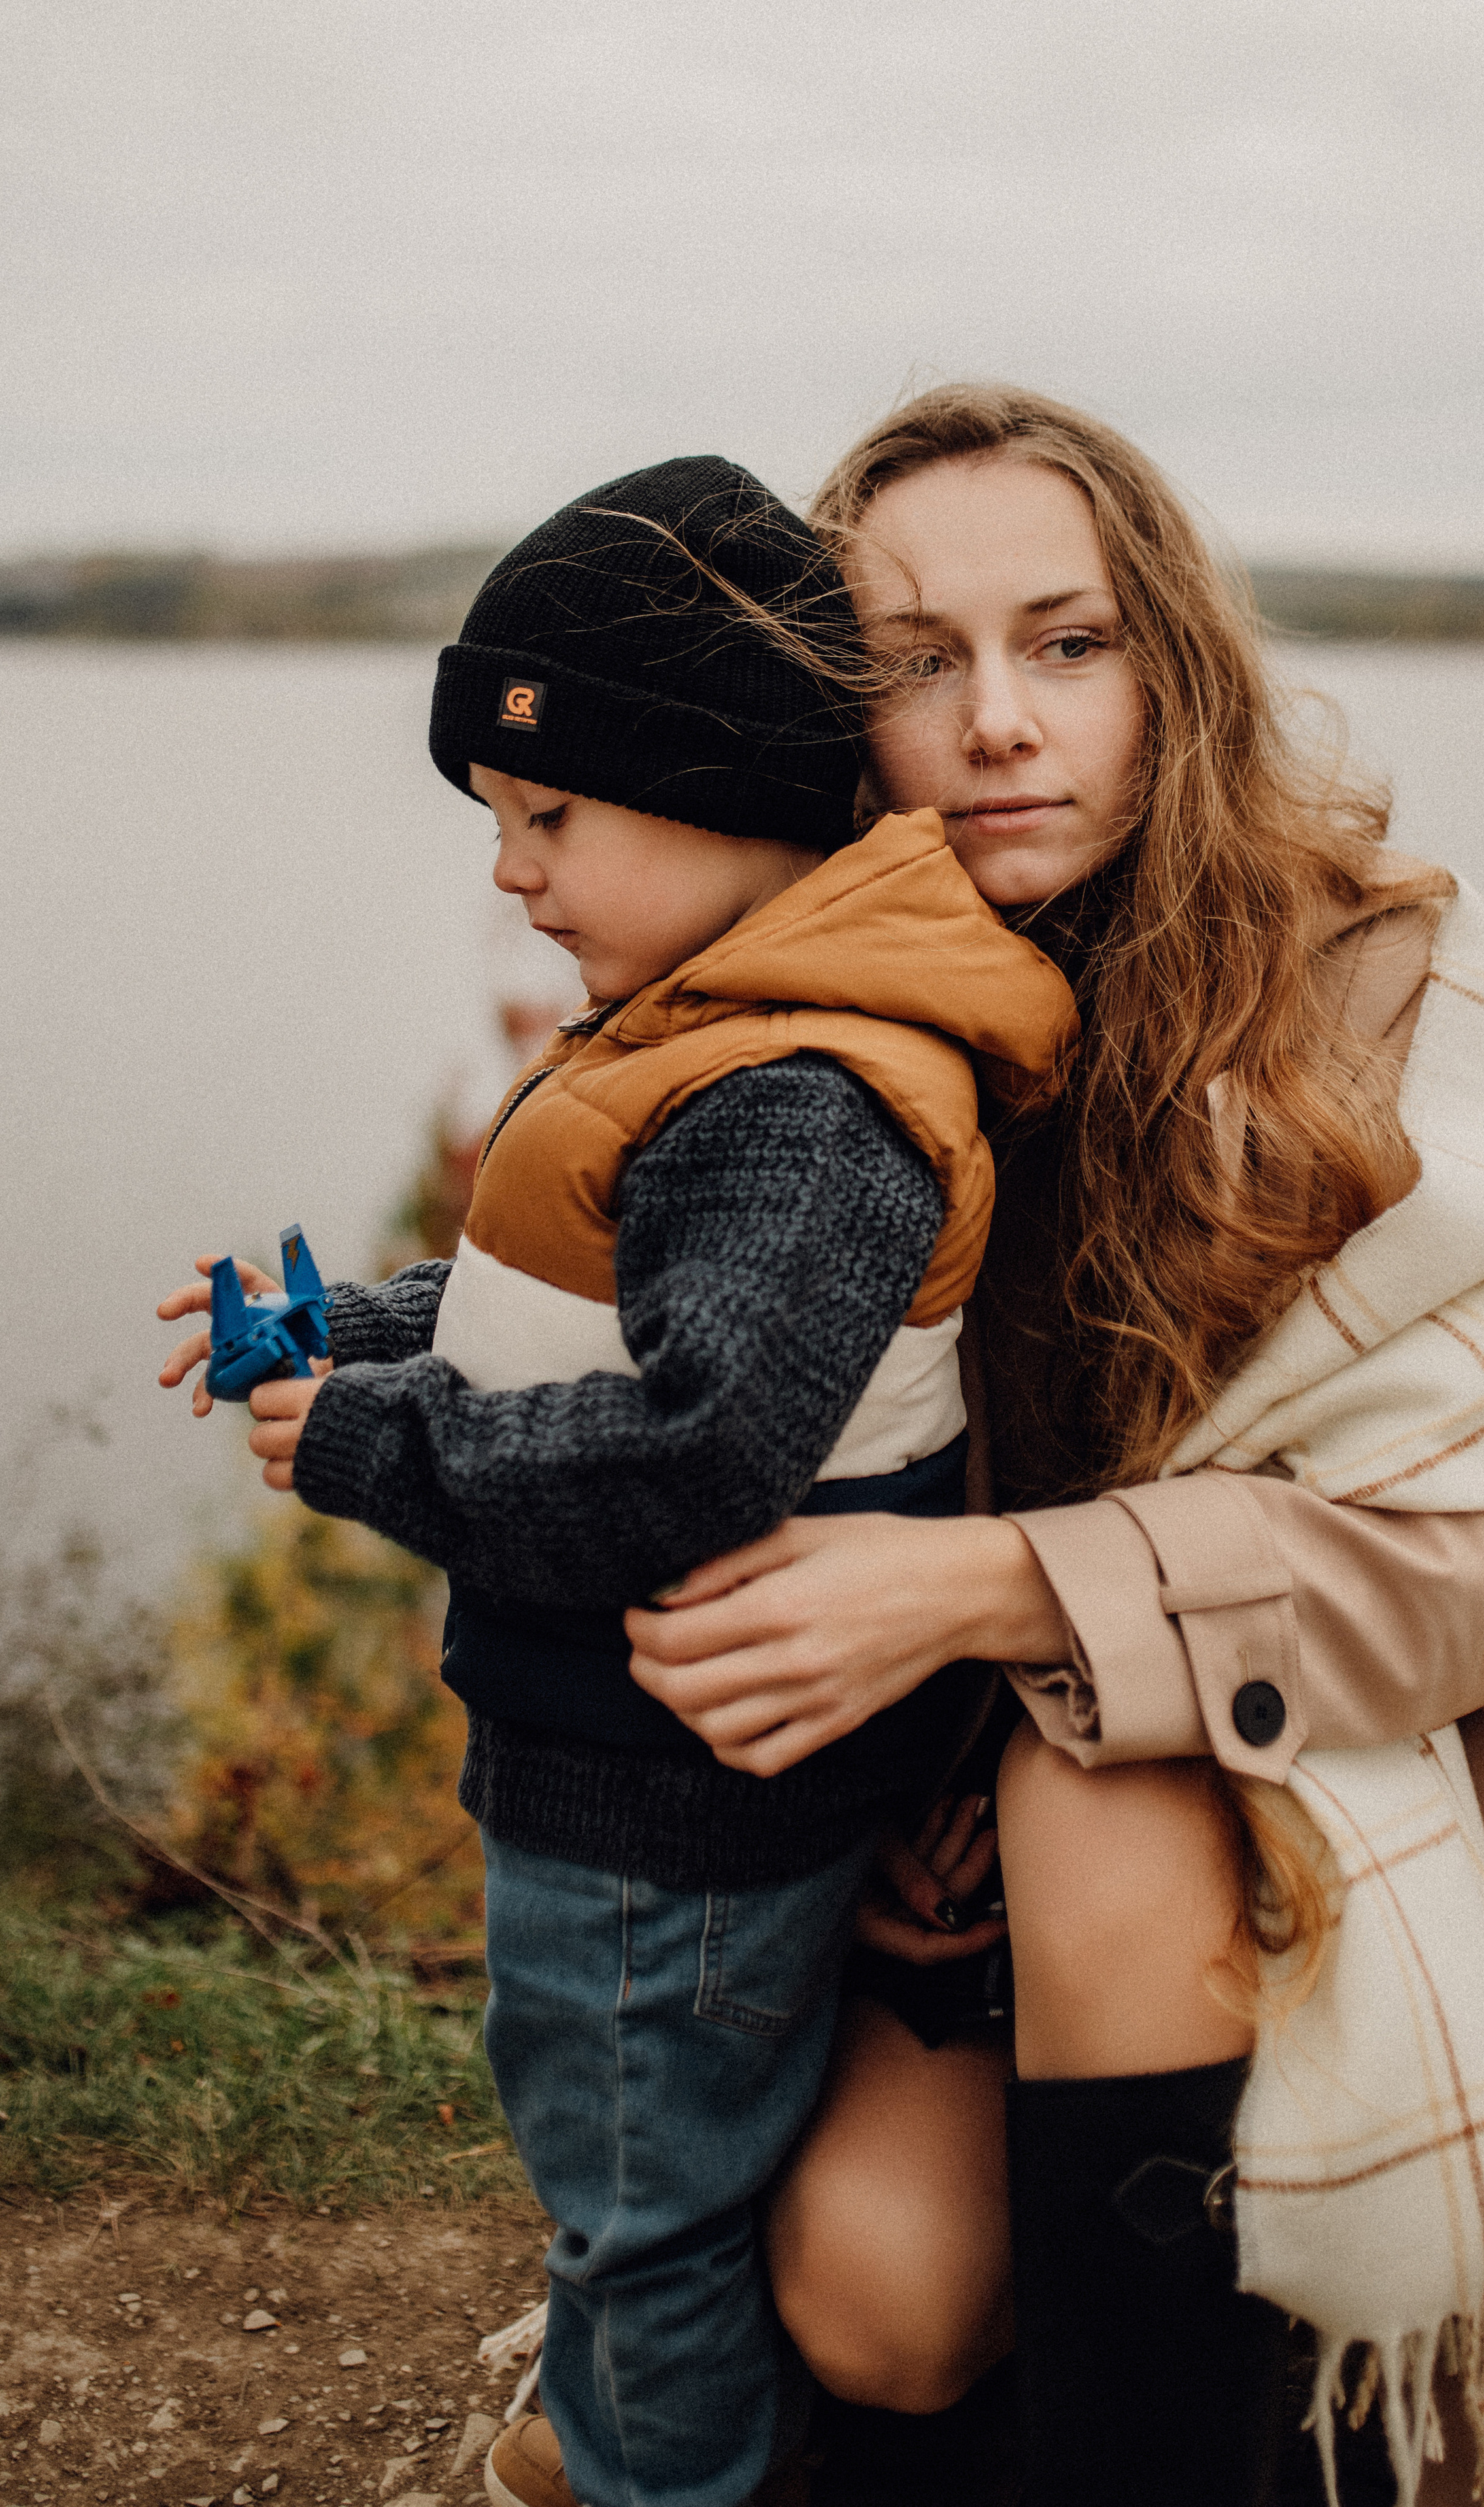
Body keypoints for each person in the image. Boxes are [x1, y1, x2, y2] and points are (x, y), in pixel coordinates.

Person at [623, 390, 1484, 2506]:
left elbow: (1468, 1588)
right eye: (919, 660)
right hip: (960, 1802)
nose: (1001, 719)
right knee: (880, 2300)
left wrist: (992, 1598)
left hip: (1377, 1777)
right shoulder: (806, 1042)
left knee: (1090, 1800)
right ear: (843, 709)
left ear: (1167, 665)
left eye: (1068, 642)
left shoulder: (1382, 985)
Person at [156, 453, 1077, 2507]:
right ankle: (643, 2431)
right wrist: (354, 1335)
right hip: (652, 1783)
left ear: (735, 792)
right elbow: (579, 1310)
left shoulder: (802, 1101)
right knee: (644, 2175)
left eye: (549, 818)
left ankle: (660, 2469)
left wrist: (373, 1441)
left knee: (639, 2197)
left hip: (673, 1814)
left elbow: (695, 1446)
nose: (512, 875)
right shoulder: (720, 1033)